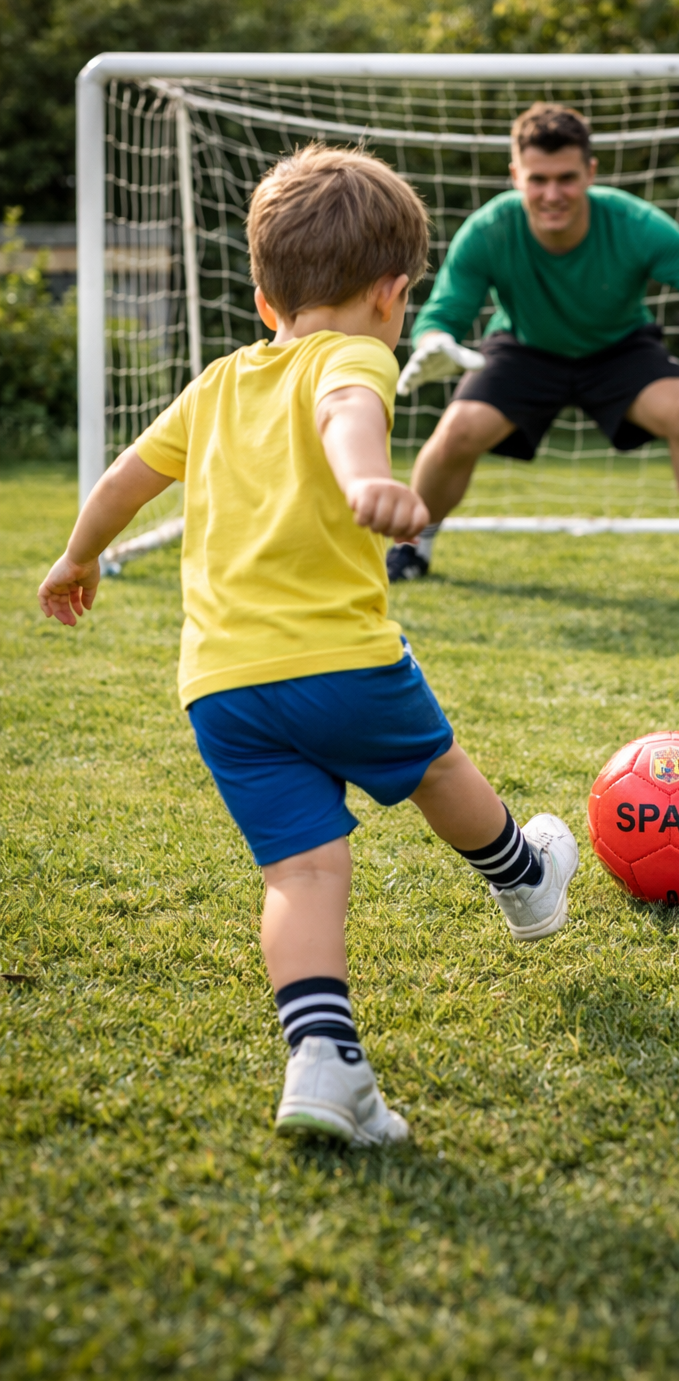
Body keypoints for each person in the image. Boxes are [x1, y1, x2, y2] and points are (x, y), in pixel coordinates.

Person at [37, 145, 578, 1148]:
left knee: (300, 876)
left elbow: (122, 478)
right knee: (432, 765)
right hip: (340, 661)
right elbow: (345, 412)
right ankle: (522, 876)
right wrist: (368, 478)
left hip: (222, 688)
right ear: (392, 293)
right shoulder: (357, 354)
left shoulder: (216, 382)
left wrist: (77, 556)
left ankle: (324, 1062)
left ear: (261, 298)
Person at [388, 102, 679, 593]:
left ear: (591, 172)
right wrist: (434, 343)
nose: (552, 194)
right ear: (516, 175)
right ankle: (410, 549)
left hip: (619, 347)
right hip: (526, 346)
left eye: (567, 178)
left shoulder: (632, 221)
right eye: (538, 179)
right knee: (458, 429)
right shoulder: (491, 228)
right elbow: (446, 309)